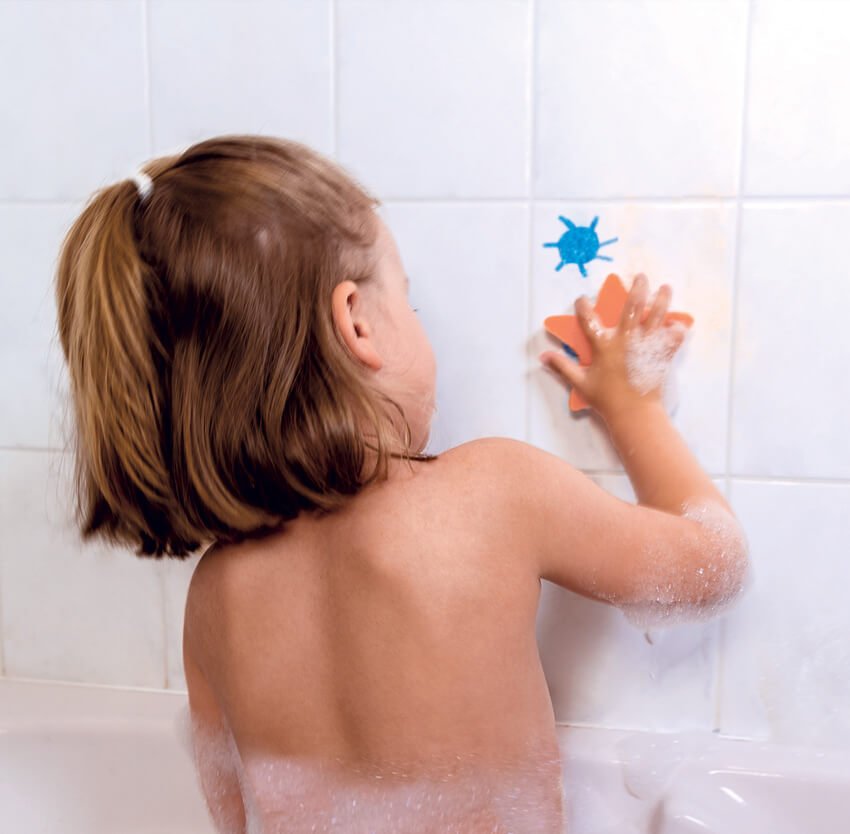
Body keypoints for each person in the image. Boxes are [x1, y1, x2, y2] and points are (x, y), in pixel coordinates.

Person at [54, 134, 749, 833]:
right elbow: (711, 567)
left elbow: (232, 815)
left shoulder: (215, 596)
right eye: (407, 303)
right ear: (357, 322)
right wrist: (634, 407)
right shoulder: (491, 494)